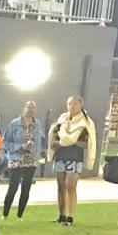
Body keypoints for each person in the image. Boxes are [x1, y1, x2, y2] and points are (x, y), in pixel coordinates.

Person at [48, 95, 97, 225]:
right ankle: (61, 215)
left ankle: (70, 216)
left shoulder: (85, 122)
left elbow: (88, 143)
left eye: (75, 104)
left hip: (75, 157)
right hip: (61, 156)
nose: (72, 106)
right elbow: (53, 142)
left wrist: (71, 141)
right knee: (61, 186)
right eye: (70, 104)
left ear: (80, 105)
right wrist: (63, 142)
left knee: (71, 186)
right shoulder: (61, 121)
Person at [1, 100, 46, 219]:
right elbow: (5, 142)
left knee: (26, 188)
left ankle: (19, 215)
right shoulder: (14, 124)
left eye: (33, 107)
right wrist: (20, 146)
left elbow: (42, 141)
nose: (31, 110)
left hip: (31, 160)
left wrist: (39, 153)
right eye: (29, 107)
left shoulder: (37, 124)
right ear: (24, 108)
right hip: (16, 159)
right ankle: (5, 214)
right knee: (13, 187)